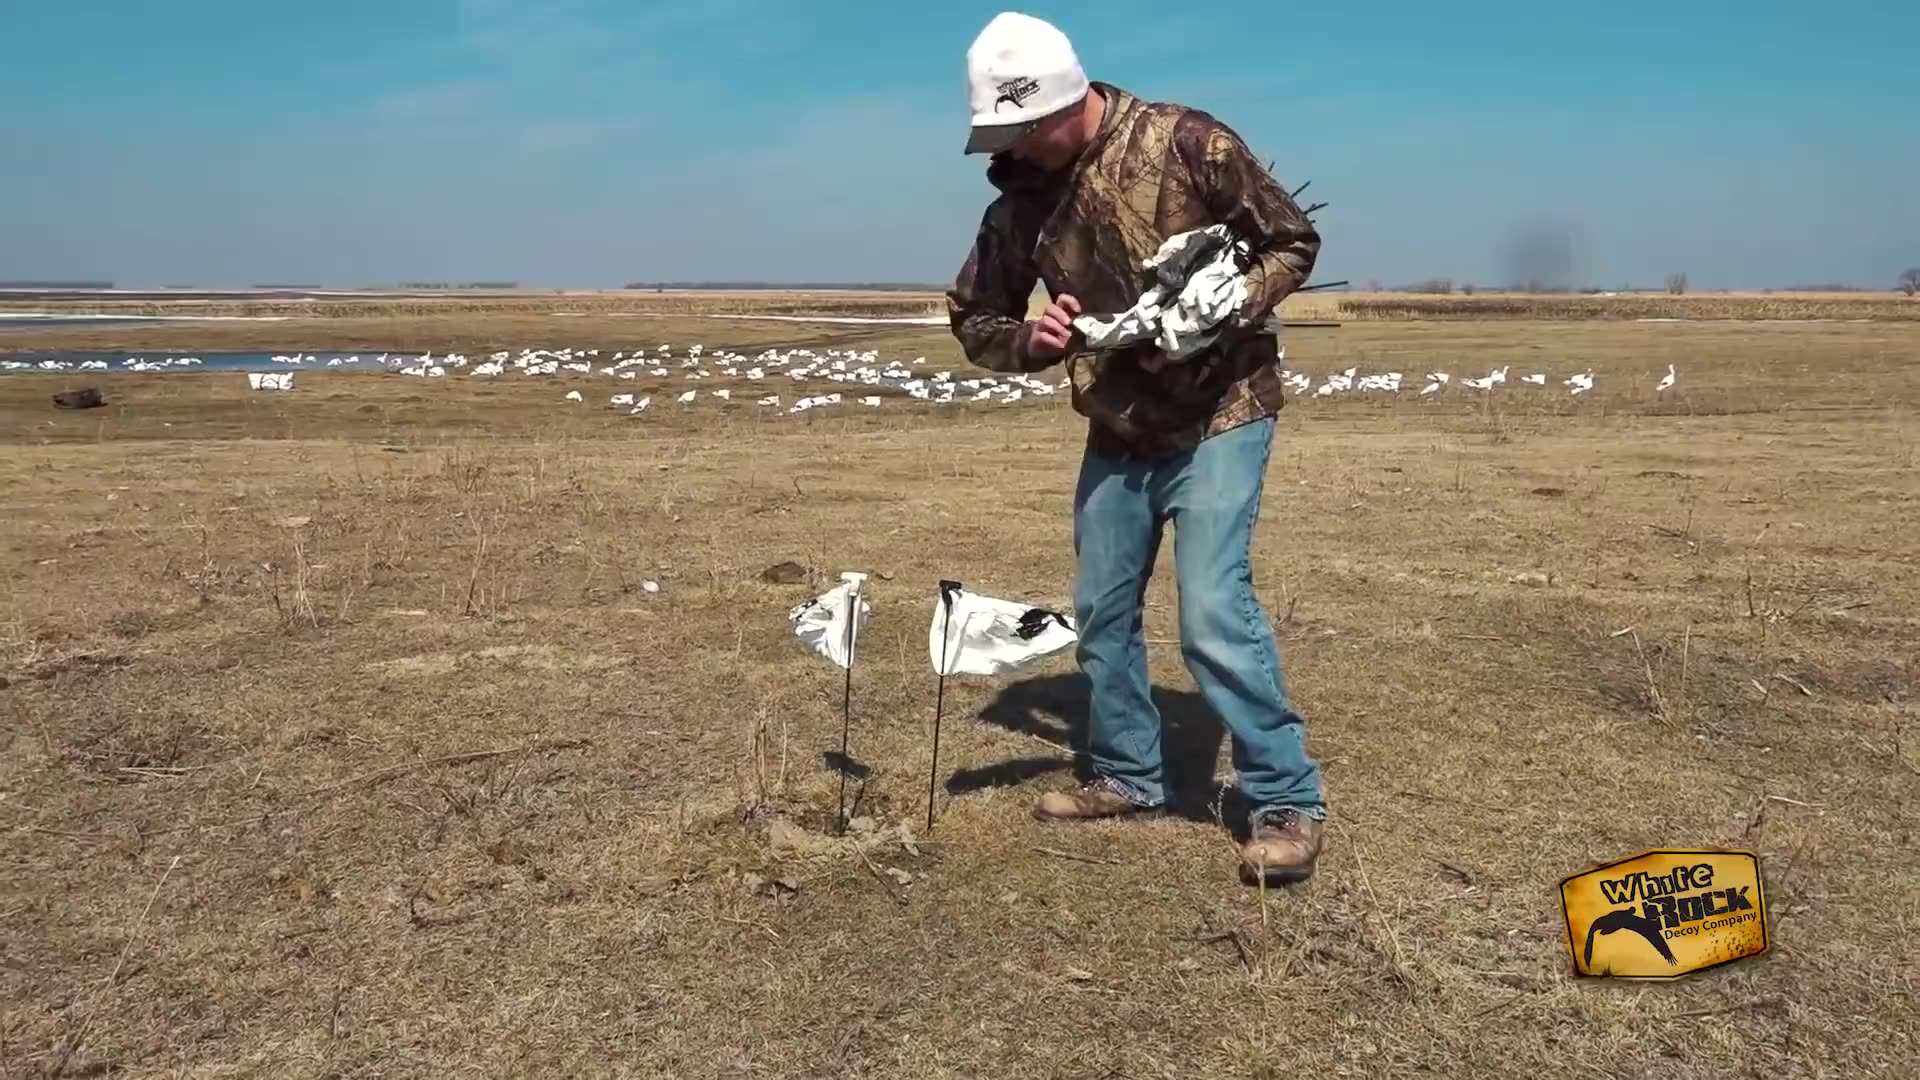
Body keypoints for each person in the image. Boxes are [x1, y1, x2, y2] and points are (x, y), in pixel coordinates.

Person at [946, 11, 1329, 885]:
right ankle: (1128, 774)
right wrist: (1032, 341)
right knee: (1103, 611)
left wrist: (1218, 313)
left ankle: (1285, 798)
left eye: (1017, 129)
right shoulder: (1019, 205)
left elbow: (1293, 243)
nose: (1009, 148)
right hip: (1117, 423)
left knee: (1211, 611)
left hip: (1223, 409)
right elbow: (978, 316)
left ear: (1058, 103)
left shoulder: (1190, 143)